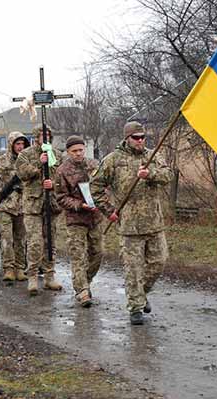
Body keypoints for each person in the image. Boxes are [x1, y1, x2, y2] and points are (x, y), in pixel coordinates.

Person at [91, 121, 172, 326]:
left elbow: (168, 175)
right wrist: (108, 211)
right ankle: (135, 307)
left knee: (159, 262)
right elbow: (96, 186)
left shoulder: (152, 156)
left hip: (154, 223)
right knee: (133, 268)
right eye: (136, 137)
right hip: (129, 226)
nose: (140, 141)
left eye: (143, 137)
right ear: (127, 138)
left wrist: (150, 174)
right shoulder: (113, 160)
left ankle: (141, 293)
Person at [14, 124, 63, 295]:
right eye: (42, 135)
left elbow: (61, 175)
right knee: (35, 242)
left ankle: (49, 276)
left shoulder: (56, 154)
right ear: (36, 137)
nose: (45, 137)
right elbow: (22, 173)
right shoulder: (25, 154)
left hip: (51, 204)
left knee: (50, 242)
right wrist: (39, 164)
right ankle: (33, 275)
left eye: (48, 134)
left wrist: (53, 183)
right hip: (33, 206)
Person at [55, 136, 103, 307]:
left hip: (95, 217)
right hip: (75, 219)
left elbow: (103, 187)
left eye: (80, 150)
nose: (78, 153)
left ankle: (86, 280)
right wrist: (79, 205)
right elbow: (60, 197)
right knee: (78, 255)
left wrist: (104, 204)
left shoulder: (94, 165)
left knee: (97, 253)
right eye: (74, 151)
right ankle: (81, 291)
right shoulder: (62, 171)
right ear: (68, 152)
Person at [0, 131, 29, 282]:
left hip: (23, 206)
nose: (20, 147)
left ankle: (20, 268)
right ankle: (8, 268)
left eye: (23, 144)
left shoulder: (28, 162)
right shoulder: (0, 162)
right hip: (4, 206)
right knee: (6, 239)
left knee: (21, 240)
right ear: (11, 145)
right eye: (17, 144)